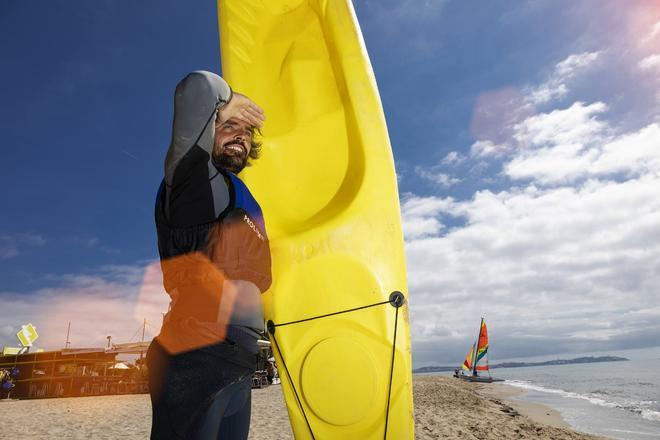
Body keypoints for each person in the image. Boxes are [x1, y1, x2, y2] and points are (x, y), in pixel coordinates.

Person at [146, 71, 271, 439]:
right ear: (208, 128)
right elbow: (195, 87)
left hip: (238, 358)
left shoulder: (242, 198)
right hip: (195, 353)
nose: (241, 136)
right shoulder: (195, 183)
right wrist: (224, 98)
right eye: (229, 125)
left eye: (247, 132)